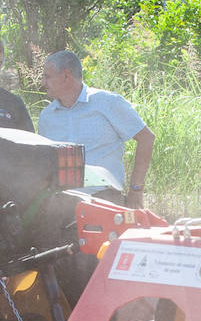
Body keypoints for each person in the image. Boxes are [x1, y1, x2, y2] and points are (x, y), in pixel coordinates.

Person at [37, 50, 154, 208]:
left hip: (104, 200)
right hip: (60, 204)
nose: (43, 82)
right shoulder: (47, 116)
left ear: (66, 76)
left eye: (47, 76)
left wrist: (136, 190)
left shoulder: (107, 102)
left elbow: (146, 138)